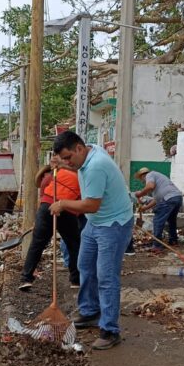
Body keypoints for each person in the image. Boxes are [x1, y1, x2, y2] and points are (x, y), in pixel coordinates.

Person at [49, 131, 133, 350]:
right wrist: (64, 164)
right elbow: (77, 167)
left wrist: (62, 203)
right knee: (84, 265)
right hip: (95, 223)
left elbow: (90, 205)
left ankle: (110, 330)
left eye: (68, 157)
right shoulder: (89, 152)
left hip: (113, 224)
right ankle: (90, 311)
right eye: (64, 159)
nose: (68, 162)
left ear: (79, 148)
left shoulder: (96, 165)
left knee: (106, 276)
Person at [19, 156, 83, 291]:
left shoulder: (56, 174)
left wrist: (39, 218)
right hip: (66, 208)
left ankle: (26, 278)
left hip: (49, 206)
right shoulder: (81, 176)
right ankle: (76, 279)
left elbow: (43, 197)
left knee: (37, 243)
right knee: (74, 245)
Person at [133, 167, 183, 252]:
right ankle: (173, 240)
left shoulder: (150, 175)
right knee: (171, 221)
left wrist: (140, 194)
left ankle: (157, 245)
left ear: (143, 176)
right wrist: (145, 208)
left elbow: (150, 186)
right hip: (177, 197)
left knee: (157, 221)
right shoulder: (159, 180)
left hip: (168, 198)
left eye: (141, 179)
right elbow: (156, 200)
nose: (142, 182)